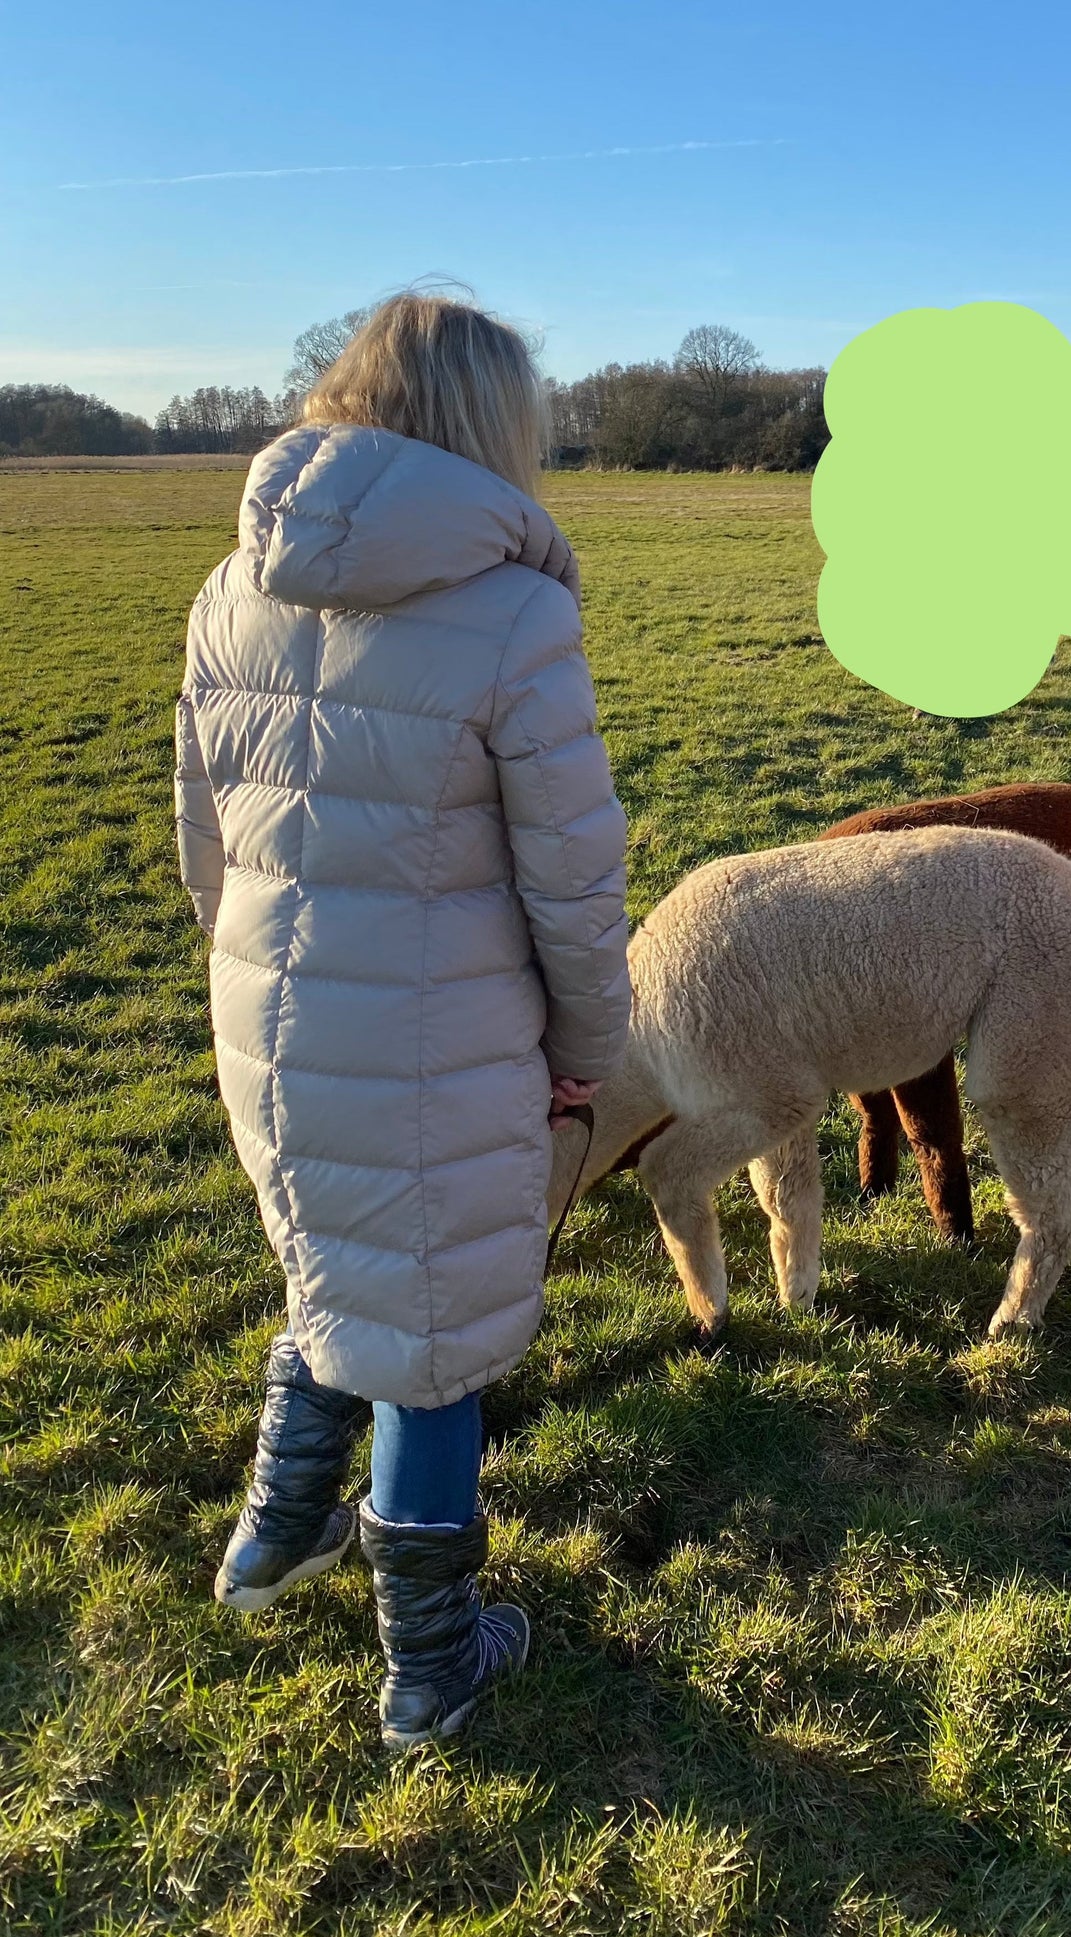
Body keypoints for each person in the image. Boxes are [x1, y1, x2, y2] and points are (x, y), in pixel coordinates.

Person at [173, 293, 631, 1747]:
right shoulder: (515, 612)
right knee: (429, 1338)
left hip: (273, 1013)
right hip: (439, 1035)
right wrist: (586, 1052)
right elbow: (574, 879)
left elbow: (204, 838)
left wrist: (259, 973)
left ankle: (267, 1545)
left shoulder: (226, 588)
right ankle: (432, 1662)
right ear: (494, 425)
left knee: (340, 1264)